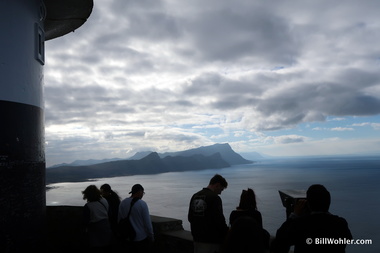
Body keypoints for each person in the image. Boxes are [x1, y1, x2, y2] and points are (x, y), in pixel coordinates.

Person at [271, 184, 353, 253]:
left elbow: (279, 243)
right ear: (328, 202)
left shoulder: (300, 224)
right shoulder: (340, 223)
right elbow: (348, 239)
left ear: (308, 204)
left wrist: (294, 215)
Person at [188, 174, 229, 253]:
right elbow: (219, 221)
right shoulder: (215, 198)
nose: (220, 193)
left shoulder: (195, 196)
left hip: (197, 238)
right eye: (221, 189)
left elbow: (190, 217)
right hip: (211, 240)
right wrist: (226, 233)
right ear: (217, 185)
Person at [118, 184, 154, 253]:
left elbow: (119, 219)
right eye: (143, 193)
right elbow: (147, 224)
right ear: (140, 192)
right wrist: (151, 236)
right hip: (140, 238)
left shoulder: (123, 203)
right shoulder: (142, 204)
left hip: (127, 237)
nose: (142, 195)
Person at [82, 185, 112, 253]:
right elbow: (109, 214)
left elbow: (85, 221)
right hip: (106, 228)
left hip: (95, 231)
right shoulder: (104, 200)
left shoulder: (88, 206)